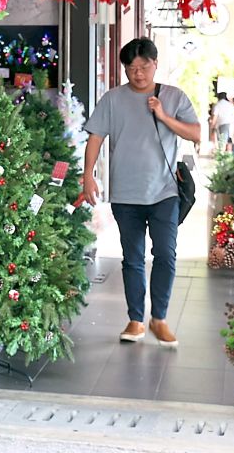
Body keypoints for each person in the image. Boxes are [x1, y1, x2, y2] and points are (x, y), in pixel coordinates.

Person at [81, 38, 201, 347]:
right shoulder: (112, 99)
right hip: (126, 194)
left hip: (164, 192)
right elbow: (95, 137)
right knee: (132, 259)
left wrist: (163, 116)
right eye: (131, 68)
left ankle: (158, 318)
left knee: (165, 254)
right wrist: (88, 176)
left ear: (155, 64)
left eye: (144, 67)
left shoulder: (173, 97)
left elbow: (196, 133)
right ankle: (136, 320)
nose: (138, 74)